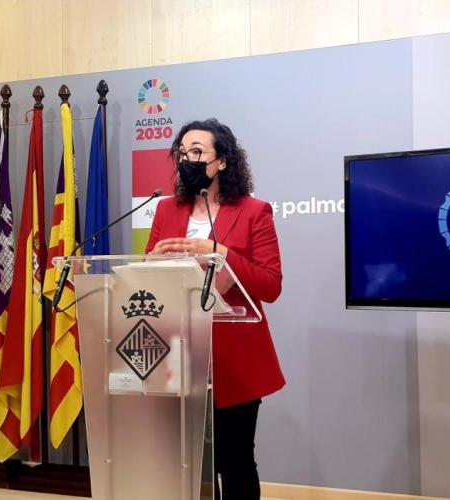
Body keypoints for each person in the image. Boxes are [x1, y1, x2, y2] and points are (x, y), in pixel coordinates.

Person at [145, 118, 285, 500]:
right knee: (187, 463)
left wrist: (221, 253)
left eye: (197, 151)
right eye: (182, 152)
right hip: (177, 357)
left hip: (234, 358)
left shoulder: (254, 211)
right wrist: (150, 263)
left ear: (221, 161)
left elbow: (271, 284)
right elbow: (148, 278)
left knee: (234, 460)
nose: (187, 159)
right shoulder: (166, 210)